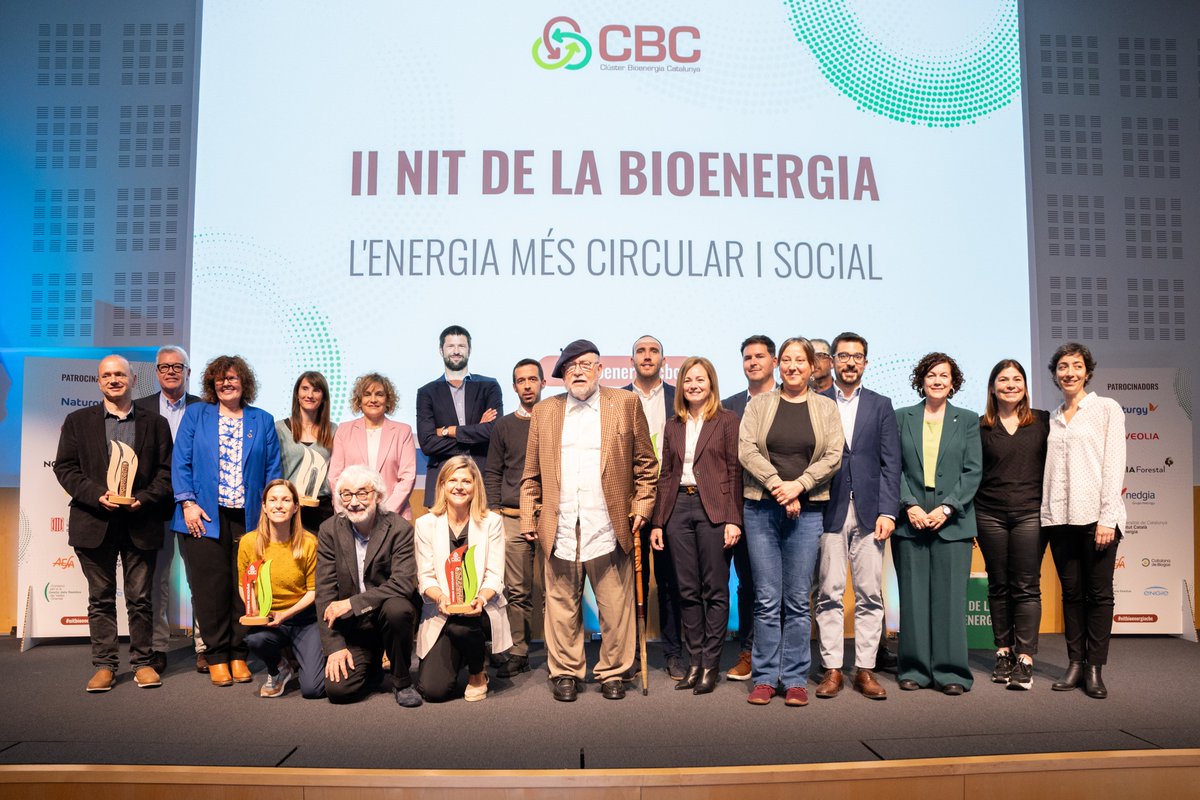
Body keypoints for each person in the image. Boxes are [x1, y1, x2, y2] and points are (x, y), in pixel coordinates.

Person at [520, 339, 658, 702]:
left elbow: (646, 464)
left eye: (586, 364)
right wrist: (528, 515)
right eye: (570, 367)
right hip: (559, 522)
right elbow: (530, 473)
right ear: (562, 375)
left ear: (600, 369)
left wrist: (642, 506)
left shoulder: (625, 403)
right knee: (562, 605)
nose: (578, 371)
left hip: (610, 524)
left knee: (616, 607)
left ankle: (613, 672)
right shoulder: (546, 411)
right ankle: (566, 672)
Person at [54, 355, 173, 692]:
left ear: (133, 379)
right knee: (101, 599)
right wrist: (97, 495)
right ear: (99, 381)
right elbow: (65, 468)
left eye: (120, 374)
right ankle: (105, 665)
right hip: (94, 522)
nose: (113, 380)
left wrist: (144, 499)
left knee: (140, 598)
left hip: (140, 521)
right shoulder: (78, 421)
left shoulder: (156, 423)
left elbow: (166, 473)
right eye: (107, 375)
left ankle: (142, 663)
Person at [738, 337, 843, 706]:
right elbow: (746, 449)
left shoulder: (826, 408)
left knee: (798, 600)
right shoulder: (760, 404)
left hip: (808, 510)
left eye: (801, 360)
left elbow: (833, 455)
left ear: (812, 365)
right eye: (787, 360)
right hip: (761, 510)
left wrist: (798, 486)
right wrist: (776, 486)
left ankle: (795, 678)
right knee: (766, 599)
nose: (793, 366)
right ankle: (766, 677)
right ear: (778, 365)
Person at [172, 355, 282, 687]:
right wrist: (187, 504)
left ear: (244, 383)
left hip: (248, 519)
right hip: (203, 517)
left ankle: (239, 653)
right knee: (209, 589)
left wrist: (269, 514)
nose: (226, 383)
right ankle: (217, 655)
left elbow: (273, 471)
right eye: (220, 379)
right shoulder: (196, 415)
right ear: (211, 384)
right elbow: (181, 463)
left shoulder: (262, 420)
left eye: (233, 378)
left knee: (244, 588)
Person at [814, 332, 900, 701]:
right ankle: (833, 668)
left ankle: (865, 669)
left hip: (870, 514)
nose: (850, 362)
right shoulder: (815, 402)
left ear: (866, 363)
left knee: (869, 594)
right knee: (829, 593)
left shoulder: (881, 405)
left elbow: (890, 464)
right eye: (843, 356)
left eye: (857, 357)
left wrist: (888, 511)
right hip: (827, 510)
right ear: (832, 361)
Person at [649, 357, 742, 695]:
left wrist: (733, 518)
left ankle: (710, 664)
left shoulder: (727, 420)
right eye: (688, 380)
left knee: (715, 591)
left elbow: (734, 472)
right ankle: (694, 662)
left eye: (700, 379)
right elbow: (666, 475)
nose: (693, 385)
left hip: (713, 511)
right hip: (677, 509)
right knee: (686, 591)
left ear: (711, 383)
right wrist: (659, 521)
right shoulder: (673, 424)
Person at [893, 353, 981, 695]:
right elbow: (893, 467)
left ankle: (952, 673)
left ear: (953, 382)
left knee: (949, 601)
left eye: (944, 375)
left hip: (953, 522)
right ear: (921, 380)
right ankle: (913, 669)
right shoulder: (902, 417)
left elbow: (973, 471)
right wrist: (909, 505)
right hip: (909, 519)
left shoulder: (968, 420)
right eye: (931, 375)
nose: (938, 380)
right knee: (912, 599)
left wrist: (947, 508)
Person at [1041, 343, 1125, 699]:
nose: (1069, 372)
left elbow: (1114, 463)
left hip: (1097, 519)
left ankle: (1094, 669)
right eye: (1063, 366)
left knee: (1099, 595)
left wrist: (1108, 517)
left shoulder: (1106, 408)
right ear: (1055, 374)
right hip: (1060, 519)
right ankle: (1074, 663)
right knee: (1071, 595)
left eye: (1076, 366)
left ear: (1087, 372)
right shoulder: (1053, 417)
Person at [316, 465, 422, 706]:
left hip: (387, 618)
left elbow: (403, 583)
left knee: (398, 609)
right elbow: (325, 593)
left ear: (378, 496)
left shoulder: (399, 528)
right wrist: (334, 646)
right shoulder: (329, 530)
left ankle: (402, 681)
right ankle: (372, 664)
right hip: (353, 629)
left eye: (362, 493)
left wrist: (353, 604)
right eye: (347, 494)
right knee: (338, 691)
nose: (354, 502)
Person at [976, 359, 1049, 690]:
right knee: (998, 585)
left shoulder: (1044, 423)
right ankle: (1003, 653)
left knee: (1026, 587)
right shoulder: (980, 427)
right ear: (992, 387)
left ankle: (1025, 659)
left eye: (1016, 379)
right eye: (1003, 379)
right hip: (989, 514)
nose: (1010, 384)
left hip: (1030, 514)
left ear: (1025, 386)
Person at [415, 457, 513, 702]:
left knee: (465, 626)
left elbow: (495, 575)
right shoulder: (425, 524)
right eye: (453, 480)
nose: (459, 487)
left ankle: (477, 673)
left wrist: (480, 598)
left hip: (482, 610)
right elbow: (425, 577)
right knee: (433, 691)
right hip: (442, 611)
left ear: (475, 487)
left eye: (466, 481)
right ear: (442, 485)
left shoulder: (492, 522)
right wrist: (441, 598)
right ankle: (465, 653)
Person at [133, 345, 203, 674]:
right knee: (156, 579)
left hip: (197, 507)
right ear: (156, 372)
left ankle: (205, 645)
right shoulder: (139, 408)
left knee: (200, 577)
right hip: (154, 507)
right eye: (165, 367)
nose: (171, 371)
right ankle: (158, 646)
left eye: (178, 366)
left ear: (189, 372)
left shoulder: (206, 409)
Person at [621, 334, 683, 679]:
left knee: (672, 580)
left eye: (653, 351)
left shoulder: (679, 398)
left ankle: (674, 652)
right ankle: (631, 653)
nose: (647, 356)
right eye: (641, 352)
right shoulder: (617, 399)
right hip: (630, 503)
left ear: (664, 359)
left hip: (672, 503)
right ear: (632, 361)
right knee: (631, 581)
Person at [483, 358, 546, 677]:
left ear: (543, 384)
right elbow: (493, 470)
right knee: (516, 590)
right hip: (510, 516)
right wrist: (493, 509)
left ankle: (559, 656)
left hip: (552, 516)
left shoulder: (554, 420)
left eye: (532, 379)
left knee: (557, 590)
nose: (527, 385)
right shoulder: (503, 426)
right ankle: (519, 652)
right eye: (521, 380)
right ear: (514, 387)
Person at [720, 334, 777, 681]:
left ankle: (780, 654)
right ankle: (748, 652)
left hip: (786, 507)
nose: (753, 362)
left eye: (759, 356)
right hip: (742, 508)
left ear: (774, 361)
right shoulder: (729, 406)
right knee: (748, 585)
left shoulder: (793, 399)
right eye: (747, 357)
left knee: (783, 589)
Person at [238, 480, 325, 699]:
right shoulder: (249, 542)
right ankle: (279, 667)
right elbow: (244, 584)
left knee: (313, 689)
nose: (279, 505)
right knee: (255, 640)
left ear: (296, 506)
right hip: (268, 618)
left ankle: (309, 654)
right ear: (264, 507)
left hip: (304, 619)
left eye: (286, 500)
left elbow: (314, 591)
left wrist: (286, 614)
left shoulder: (309, 543)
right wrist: (255, 611)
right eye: (273, 500)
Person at [415, 324, 503, 504]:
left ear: (469, 350)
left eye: (461, 346)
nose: (456, 351)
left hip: (482, 480)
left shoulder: (489, 386)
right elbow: (428, 443)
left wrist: (448, 431)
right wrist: (476, 432)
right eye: (450, 346)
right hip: (442, 481)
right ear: (441, 350)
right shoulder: (426, 392)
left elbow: (493, 430)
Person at [328, 372, 415, 520]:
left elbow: (407, 477)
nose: (373, 400)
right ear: (359, 400)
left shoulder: (403, 431)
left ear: (388, 400)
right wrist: (348, 509)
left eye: (379, 394)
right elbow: (335, 477)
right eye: (367, 394)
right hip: (352, 515)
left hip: (393, 516)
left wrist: (384, 512)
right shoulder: (343, 430)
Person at [277, 371, 338, 532]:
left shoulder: (334, 430)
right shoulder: (278, 429)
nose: (309, 395)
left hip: (323, 510)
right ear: (297, 394)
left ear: (323, 397)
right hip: (288, 507)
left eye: (316, 390)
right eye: (305, 389)